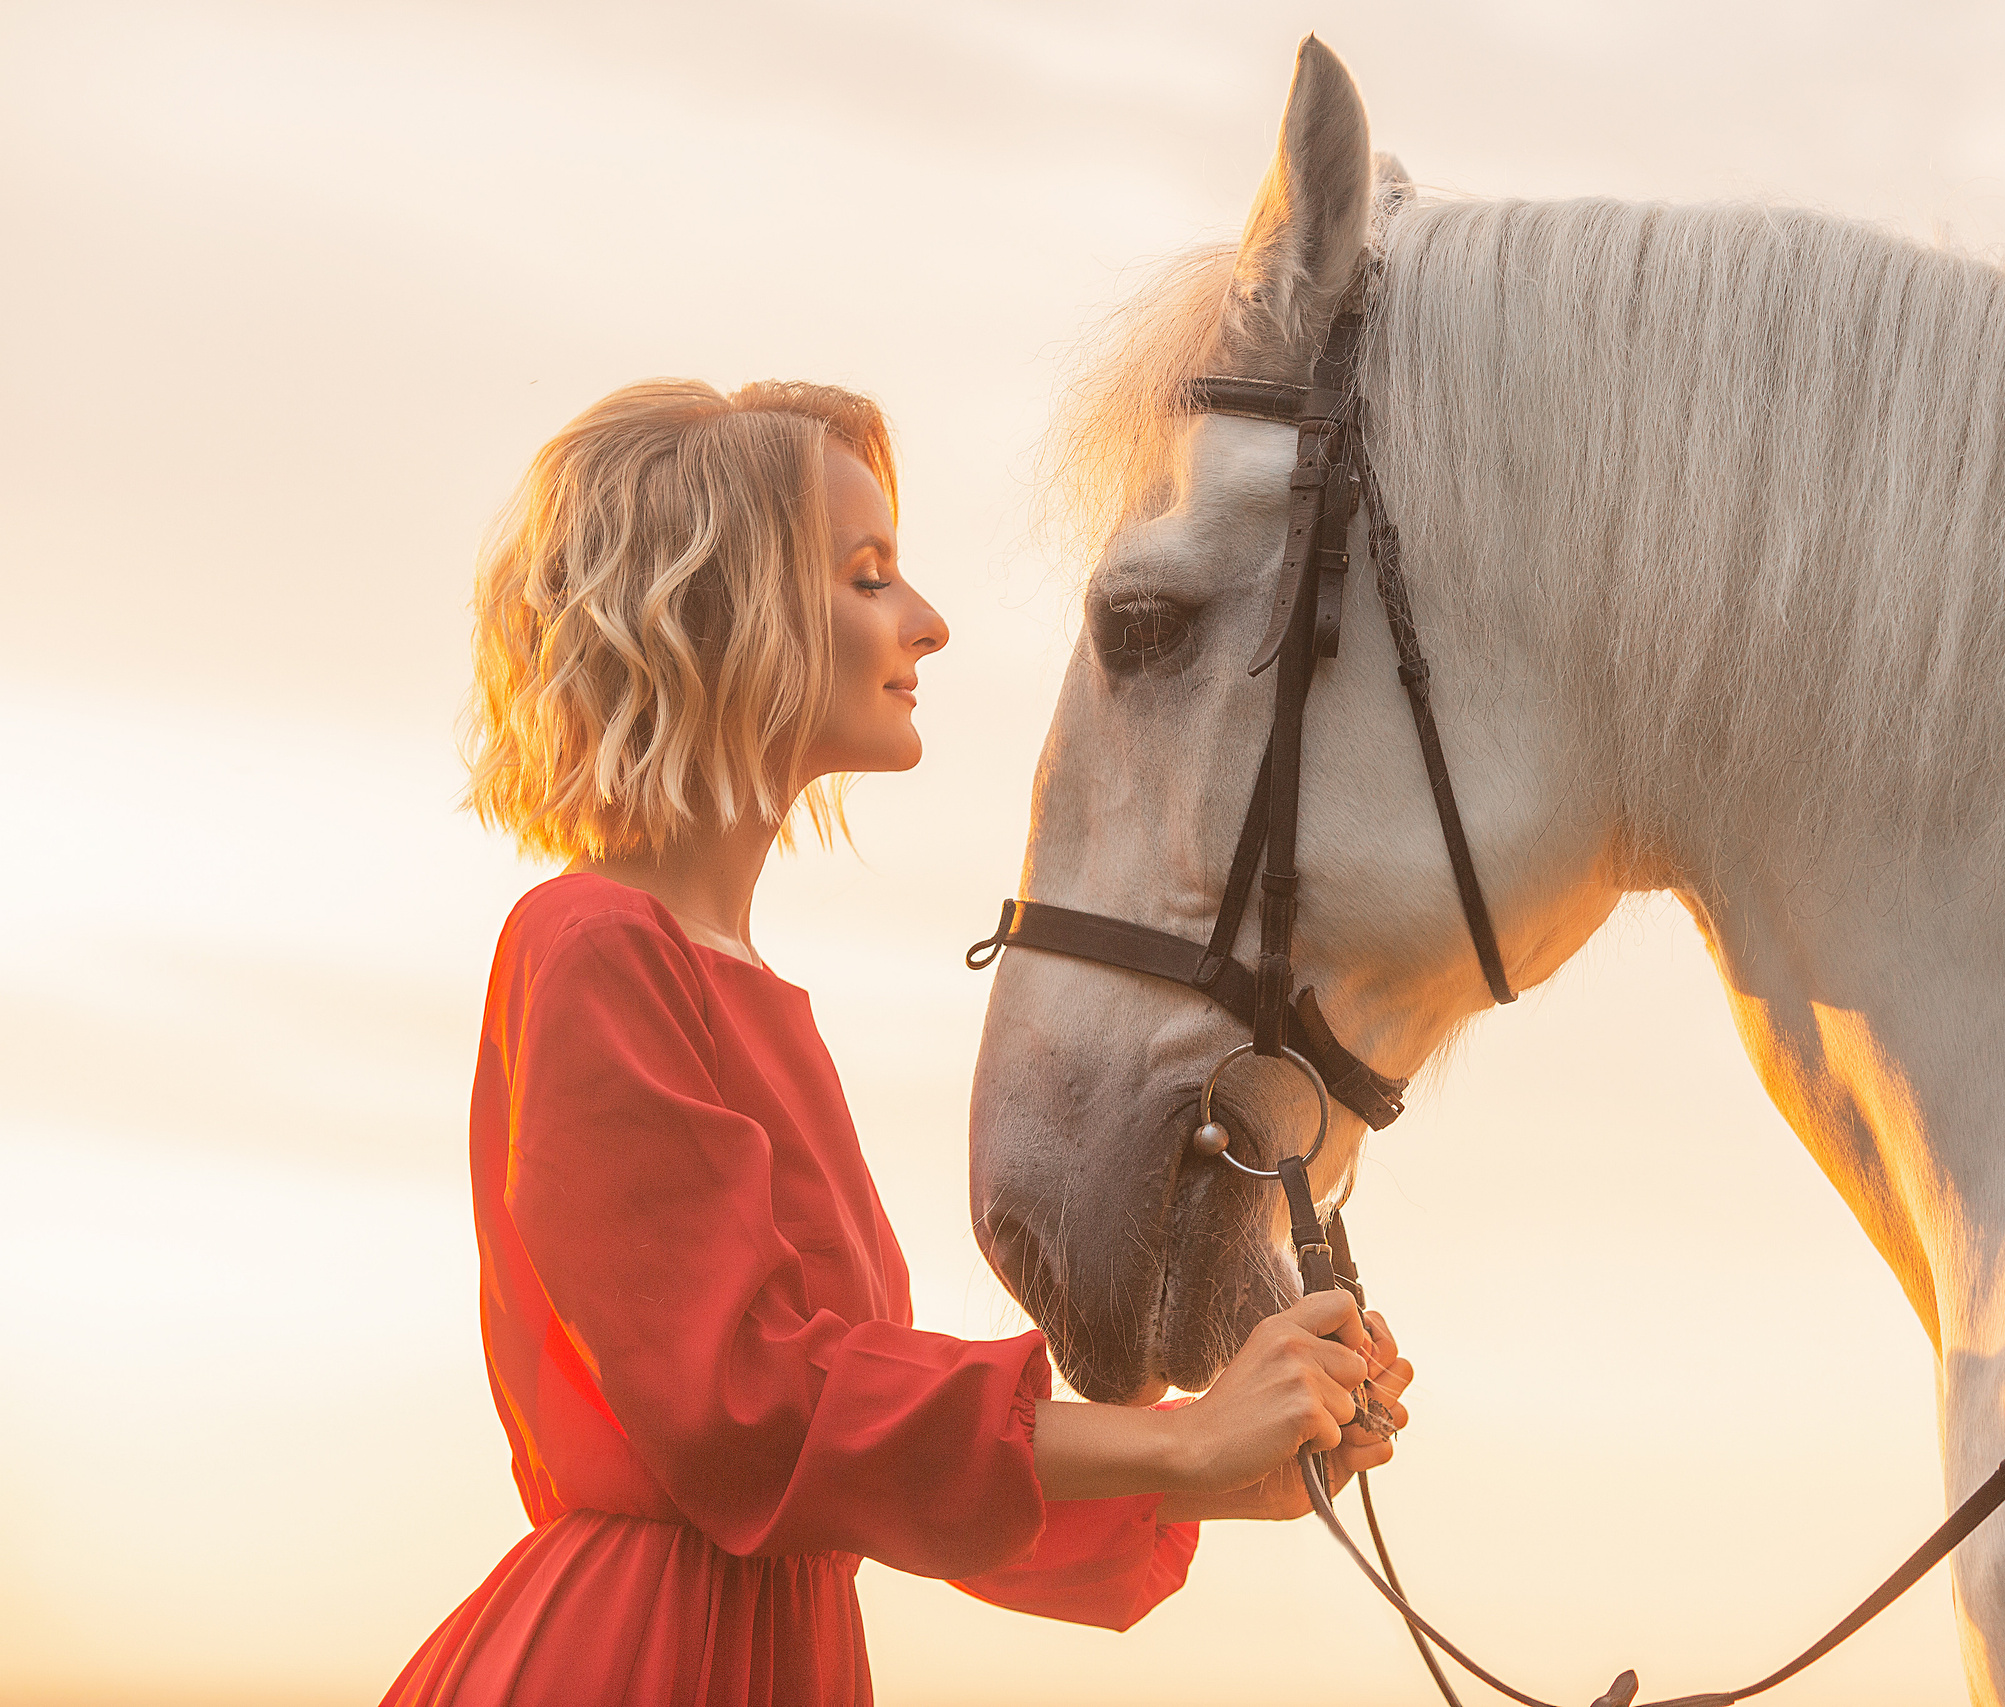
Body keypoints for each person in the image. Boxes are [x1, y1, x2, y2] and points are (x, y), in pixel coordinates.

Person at [381, 379, 1413, 1706]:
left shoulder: (731, 982)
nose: (926, 620)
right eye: (868, 577)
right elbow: (750, 1407)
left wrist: (1214, 1469)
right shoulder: (591, 944)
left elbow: (856, 1466)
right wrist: (1184, 1443)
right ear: (714, 613)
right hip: (638, 1661)